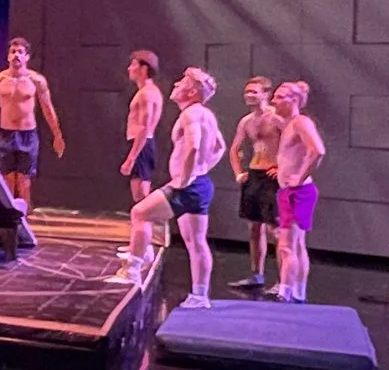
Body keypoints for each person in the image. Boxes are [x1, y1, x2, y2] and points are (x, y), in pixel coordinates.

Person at [120, 68, 224, 301]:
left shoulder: (190, 114)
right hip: (201, 184)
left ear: (191, 92)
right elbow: (219, 147)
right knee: (196, 242)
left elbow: (194, 146)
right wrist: (202, 169)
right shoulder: (206, 114)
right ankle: (200, 296)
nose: (175, 84)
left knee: (140, 213)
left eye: (181, 83)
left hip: (188, 186)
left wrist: (184, 179)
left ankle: (132, 270)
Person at [0, 37, 64, 210]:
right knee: (7, 179)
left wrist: (57, 134)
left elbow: (48, 108)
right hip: (7, 134)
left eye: (20, 52)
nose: (16, 55)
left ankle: (24, 218)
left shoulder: (36, 80)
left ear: (27, 57)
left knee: (24, 180)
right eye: (13, 52)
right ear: (8, 56)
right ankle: (9, 218)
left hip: (27, 135)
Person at [269, 81, 325, 303]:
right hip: (291, 191)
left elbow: (317, 150)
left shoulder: (301, 122)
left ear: (294, 100)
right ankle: (299, 292)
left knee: (286, 246)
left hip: (298, 191)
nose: (274, 101)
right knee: (297, 245)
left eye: (279, 97)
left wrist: (298, 178)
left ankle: (285, 292)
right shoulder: (289, 124)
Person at [228, 75, 283, 292]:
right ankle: (256, 274)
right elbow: (234, 149)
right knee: (254, 228)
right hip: (254, 174)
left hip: (272, 177)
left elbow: (292, 145)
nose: (249, 95)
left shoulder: (276, 118)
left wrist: (281, 168)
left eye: (254, 92)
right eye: (247, 92)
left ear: (266, 94)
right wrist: (239, 173)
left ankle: (283, 281)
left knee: (275, 230)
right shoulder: (246, 121)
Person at [120, 50, 163, 203]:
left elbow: (144, 127)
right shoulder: (146, 92)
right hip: (140, 144)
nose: (129, 68)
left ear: (144, 68)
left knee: (141, 195)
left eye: (133, 65)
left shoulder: (147, 94)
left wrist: (131, 158)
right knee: (139, 195)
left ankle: (153, 218)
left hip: (142, 145)